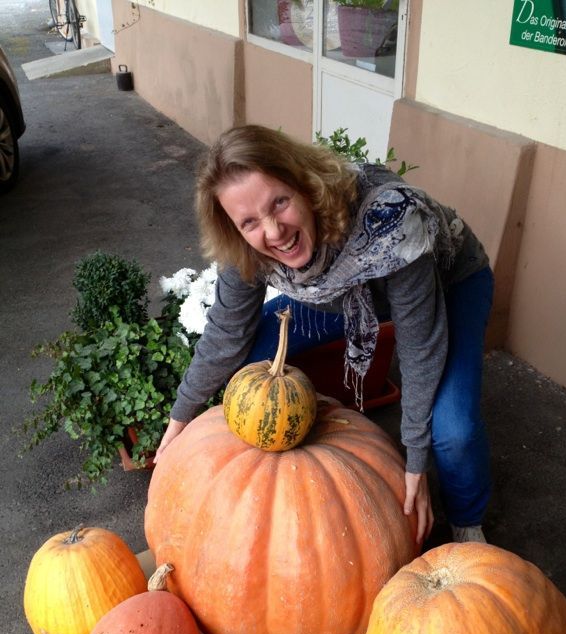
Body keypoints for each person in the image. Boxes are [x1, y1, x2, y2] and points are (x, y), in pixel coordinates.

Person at [156, 124, 494, 547]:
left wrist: (415, 463)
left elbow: (419, 349)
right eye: (250, 222)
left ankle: (467, 520)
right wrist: (179, 419)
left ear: (304, 184)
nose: (273, 231)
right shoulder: (244, 246)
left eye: (279, 202)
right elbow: (227, 333)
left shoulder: (390, 221)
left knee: (453, 430)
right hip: (342, 292)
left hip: (451, 281)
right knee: (256, 364)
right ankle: (312, 428)